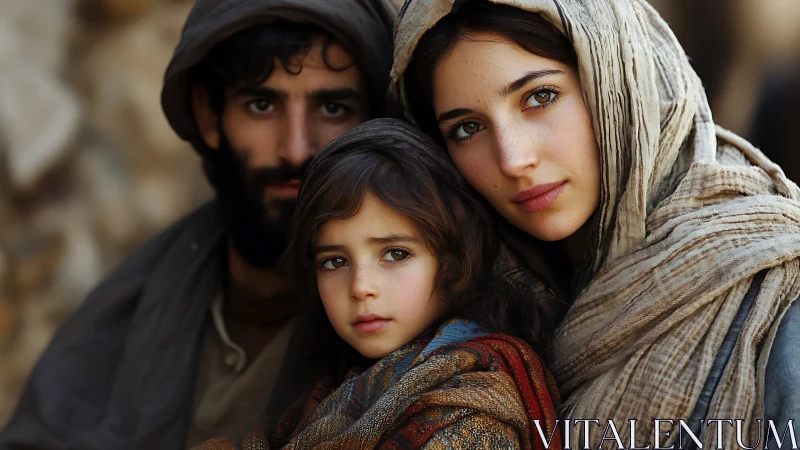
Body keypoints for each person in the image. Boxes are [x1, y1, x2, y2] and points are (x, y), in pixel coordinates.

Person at [390, 0, 800, 448]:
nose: (513, 159)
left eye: (540, 97)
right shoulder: (446, 304)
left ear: (618, 81)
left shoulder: (776, 290)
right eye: (467, 128)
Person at [0, 0, 397, 448]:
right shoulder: (118, 320)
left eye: (332, 109)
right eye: (263, 104)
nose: (296, 149)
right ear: (209, 116)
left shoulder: (416, 349)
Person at [193, 118, 562, 450]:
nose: (360, 287)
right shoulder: (337, 393)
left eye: (396, 254)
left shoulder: (469, 416)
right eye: (334, 261)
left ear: (452, 260)